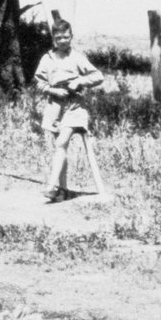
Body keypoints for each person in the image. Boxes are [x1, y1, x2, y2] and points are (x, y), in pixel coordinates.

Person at [35, 17, 107, 203]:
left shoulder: (77, 57)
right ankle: (63, 190)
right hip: (54, 107)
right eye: (59, 38)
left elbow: (98, 76)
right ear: (53, 39)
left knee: (61, 143)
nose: (63, 41)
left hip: (75, 107)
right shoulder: (47, 59)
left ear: (71, 37)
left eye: (66, 37)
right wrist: (52, 90)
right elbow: (40, 83)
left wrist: (79, 81)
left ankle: (51, 186)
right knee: (58, 148)